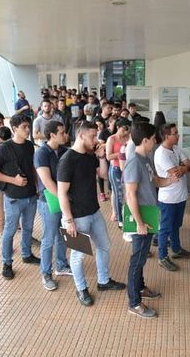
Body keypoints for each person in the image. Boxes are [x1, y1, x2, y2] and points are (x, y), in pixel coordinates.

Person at [57, 120, 126, 307]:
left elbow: (103, 174)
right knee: (78, 256)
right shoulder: (67, 160)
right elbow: (61, 193)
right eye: (92, 136)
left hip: (94, 213)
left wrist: (102, 156)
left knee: (104, 245)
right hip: (76, 218)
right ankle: (81, 288)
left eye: (96, 136)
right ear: (81, 136)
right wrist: (68, 220)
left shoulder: (89, 155)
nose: (96, 139)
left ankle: (103, 281)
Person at [123, 122, 174, 318]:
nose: (155, 142)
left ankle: (141, 287)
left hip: (149, 213)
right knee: (137, 260)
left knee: (142, 256)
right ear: (145, 140)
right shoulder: (134, 162)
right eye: (153, 139)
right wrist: (139, 223)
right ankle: (134, 302)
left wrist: (170, 180)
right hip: (140, 216)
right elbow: (130, 195)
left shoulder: (146, 158)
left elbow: (156, 181)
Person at [0, 114, 40, 280]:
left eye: (28, 126)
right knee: (9, 231)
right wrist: (13, 180)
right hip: (13, 198)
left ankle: (26, 254)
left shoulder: (30, 146)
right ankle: (7, 262)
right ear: (14, 129)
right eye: (24, 127)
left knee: (28, 227)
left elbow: (31, 167)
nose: (28, 130)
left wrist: (37, 185)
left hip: (31, 195)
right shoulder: (3, 149)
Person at [34, 121, 72, 291]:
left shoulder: (65, 151)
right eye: (62, 132)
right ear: (52, 135)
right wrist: (64, 199)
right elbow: (47, 182)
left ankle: (62, 264)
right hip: (48, 199)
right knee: (49, 238)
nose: (66, 135)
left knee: (63, 234)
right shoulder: (41, 153)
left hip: (63, 198)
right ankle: (46, 273)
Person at [154, 123, 190, 272]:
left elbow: (189, 165)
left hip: (180, 196)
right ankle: (162, 257)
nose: (178, 135)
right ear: (166, 136)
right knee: (165, 228)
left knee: (177, 225)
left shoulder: (176, 148)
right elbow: (175, 173)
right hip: (168, 198)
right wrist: (184, 168)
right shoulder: (161, 153)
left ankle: (176, 249)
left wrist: (183, 168)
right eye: (175, 133)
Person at [106, 118, 131, 234]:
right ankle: (120, 219)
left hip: (127, 169)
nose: (125, 132)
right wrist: (121, 153)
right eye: (123, 129)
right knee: (118, 194)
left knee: (128, 194)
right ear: (118, 127)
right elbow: (108, 156)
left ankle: (127, 215)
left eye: (127, 129)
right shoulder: (112, 139)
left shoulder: (128, 138)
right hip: (115, 169)